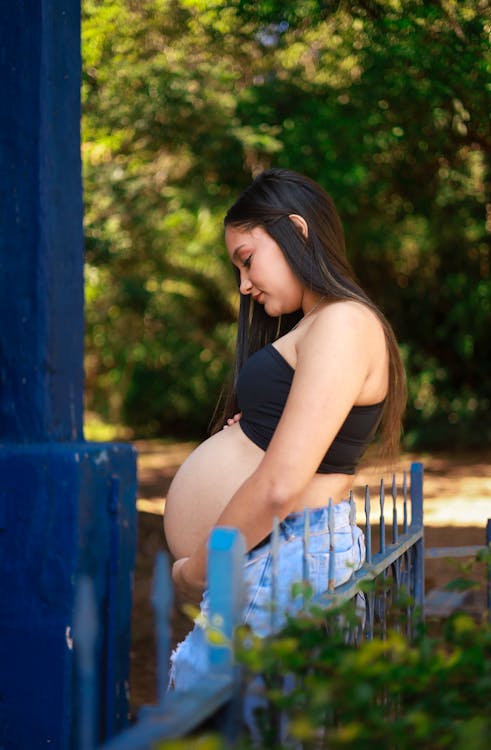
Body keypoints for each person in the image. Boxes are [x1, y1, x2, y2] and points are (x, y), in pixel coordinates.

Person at [163, 168, 406, 690]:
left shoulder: (343, 322)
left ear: (297, 231)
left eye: (247, 260)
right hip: (273, 559)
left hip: (280, 559)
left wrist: (196, 571)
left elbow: (279, 486)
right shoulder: (320, 326)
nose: (244, 285)